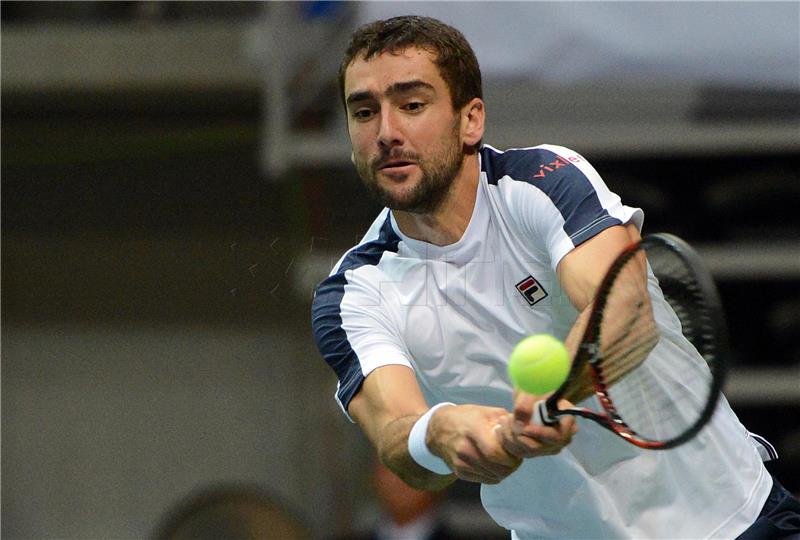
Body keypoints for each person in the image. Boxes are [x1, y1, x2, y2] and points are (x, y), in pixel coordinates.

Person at [311, 15, 800, 539]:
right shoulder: (352, 294)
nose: (386, 132)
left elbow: (625, 309)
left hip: (727, 519)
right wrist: (445, 432)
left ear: (470, 119)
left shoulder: (545, 180)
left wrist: (558, 392)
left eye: (412, 104)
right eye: (364, 112)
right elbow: (396, 435)